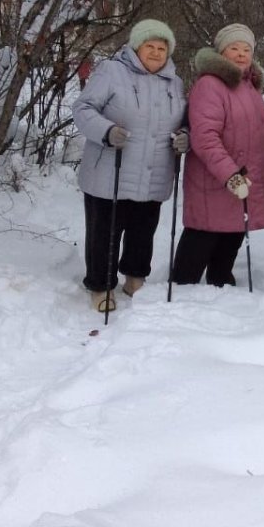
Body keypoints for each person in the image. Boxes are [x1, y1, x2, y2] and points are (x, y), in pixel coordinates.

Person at [72, 19, 188, 312]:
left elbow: (184, 121)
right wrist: (106, 131)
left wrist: (185, 137)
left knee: (142, 231)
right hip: (111, 170)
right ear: (137, 47)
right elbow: (83, 108)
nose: (156, 52)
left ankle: (134, 278)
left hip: (154, 172)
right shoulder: (112, 72)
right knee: (105, 234)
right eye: (150, 45)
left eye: (162, 48)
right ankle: (100, 285)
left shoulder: (175, 83)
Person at [173, 23, 264, 287]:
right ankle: (181, 289)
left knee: (232, 233)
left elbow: (253, 134)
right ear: (222, 52)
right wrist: (230, 175)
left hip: (243, 179)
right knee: (204, 233)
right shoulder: (210, 85)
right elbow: (205, 137)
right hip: (216, 178)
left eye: (246, 49)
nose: (242, 54)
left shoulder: (250, 87)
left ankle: (220, 285)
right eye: (234, 48)